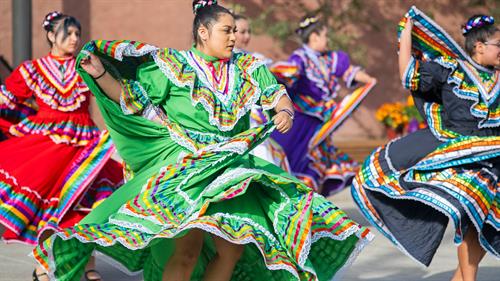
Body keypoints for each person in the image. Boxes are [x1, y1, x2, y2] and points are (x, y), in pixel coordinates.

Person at [33, 2, 373, 281]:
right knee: (187, 250)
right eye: (227, 31)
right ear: (203, 32)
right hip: (187, 169)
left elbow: (275, 94)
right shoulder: (173, 66)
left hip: (231, 165)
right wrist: (100, 73)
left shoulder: (247, 67)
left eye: (235, 31)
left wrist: (284, 110)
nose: (234, 38)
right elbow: (131, 99)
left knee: (233, 247)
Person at [351, 6, 499, 281]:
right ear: (479, 46)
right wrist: (405, 34)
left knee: (483, 223)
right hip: (459, 156)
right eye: (499, 44)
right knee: (472, 203)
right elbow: (409, 75)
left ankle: (463, 278)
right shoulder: (450, 69)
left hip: (495, 156)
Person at [0, 11, 123, 281]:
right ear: (51, 36)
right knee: (46, 209)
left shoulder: (85, 67)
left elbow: (111, 95)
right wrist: (18, 131)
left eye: (77, 34)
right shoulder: (33, 70)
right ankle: (42, 266)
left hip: (84, 145)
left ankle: (89, 264)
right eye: (68, 33)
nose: (74, 39)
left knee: (88, 206)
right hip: (46, 146)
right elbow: (7, 101)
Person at [271, 15, 376, 196]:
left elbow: (348, 71)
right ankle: (297, 205)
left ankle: (311, 207)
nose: (327, 40)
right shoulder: (300, 58)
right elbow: (287, 73)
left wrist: (369, 80)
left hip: (320, 125)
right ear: (314, 38)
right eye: (325, 36)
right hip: (300, 122)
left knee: (317, 164)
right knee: (293, 161)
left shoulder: (331, 59)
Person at [233, 13, 290, 171]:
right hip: (230, 129)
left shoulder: (255, 60)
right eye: (242, 32)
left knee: (267, 160)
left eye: (249, 31)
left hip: (254, 127)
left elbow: (274, 85)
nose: (247, 36)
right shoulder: (213, 63)